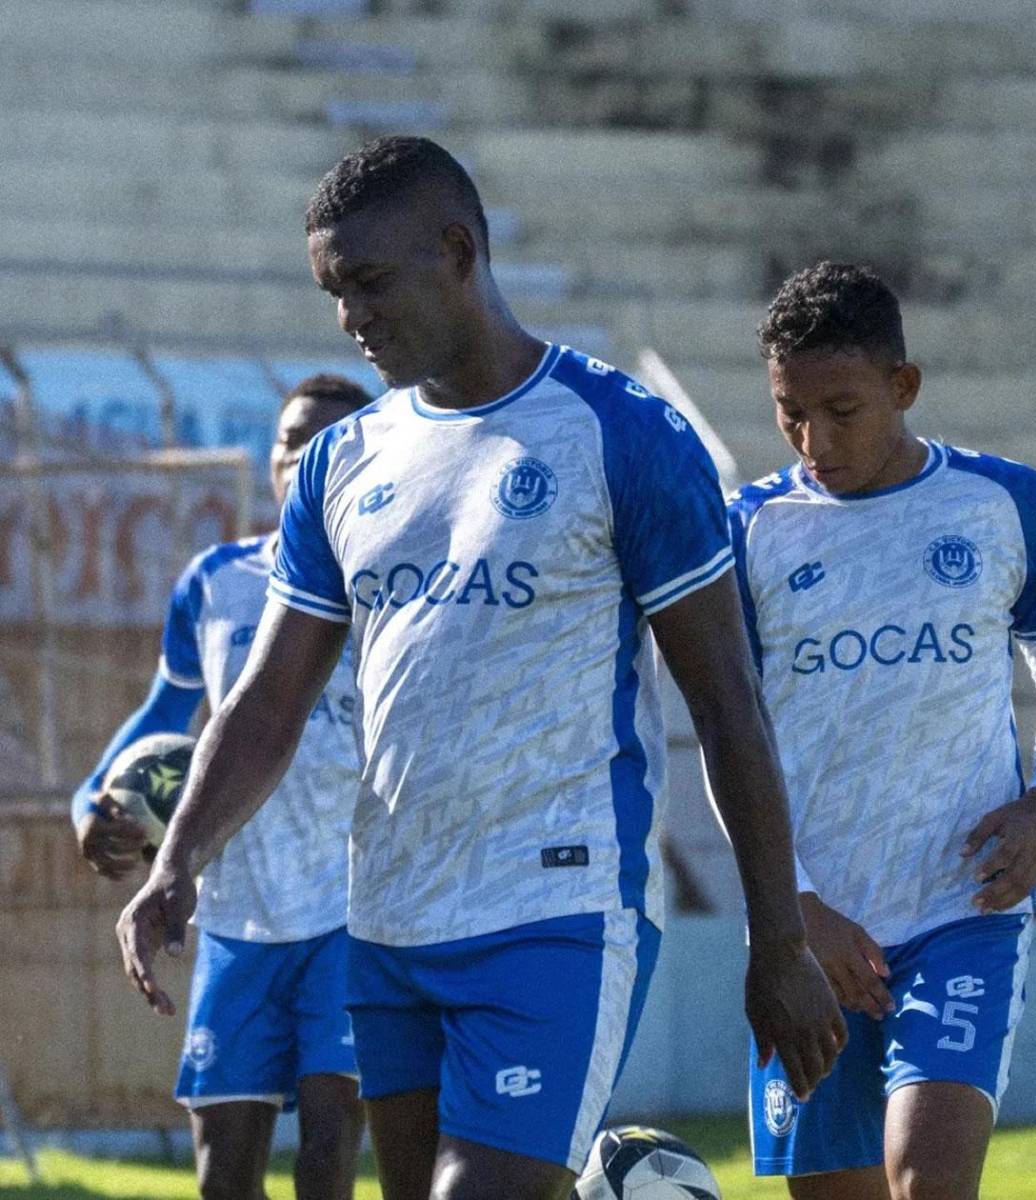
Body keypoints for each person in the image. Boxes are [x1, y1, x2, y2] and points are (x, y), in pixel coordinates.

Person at [115, 135, 846, 1200]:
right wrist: (178, 858)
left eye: (368, 282)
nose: (349, 316)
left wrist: (777, 937)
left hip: (552, 911)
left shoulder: (624, 435)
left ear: (458, 252)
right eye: (332, 291)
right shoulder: (343, 461)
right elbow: (266, 703)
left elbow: (728, 707)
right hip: (389, 918)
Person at [730, 261, 1036, 1200]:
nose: (814, 438)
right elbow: (726, 744)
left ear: (904, 388)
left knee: (925, 1180)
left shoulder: (1002, 504)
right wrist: (797, 910)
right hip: (815, 927)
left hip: (961, 912)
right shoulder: (747, 531)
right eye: (790, 412)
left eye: (842, 409)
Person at [76, 374, 373, 1200]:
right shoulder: (215, 580)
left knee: (328, 1144)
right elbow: (160, 714)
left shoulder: (394, 585)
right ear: (269, 462)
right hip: (236, 911)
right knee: (223, 1172)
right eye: (288, 444)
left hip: (352, 907)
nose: (301, 459)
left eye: (325, 443)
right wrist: (91, 806)